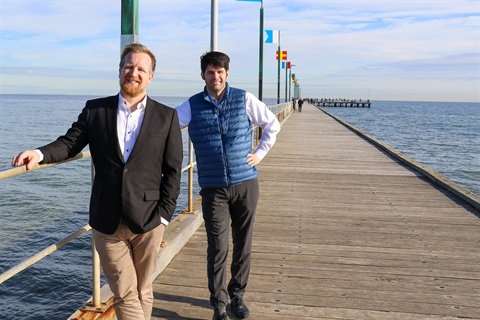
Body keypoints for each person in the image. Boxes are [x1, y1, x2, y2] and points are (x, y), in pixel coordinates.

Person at [11, 43, 183, 320]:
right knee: (125, 293)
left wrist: (164, 216)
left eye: (141, 68)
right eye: (128, 66)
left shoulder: (167, 116)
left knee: (143, 289)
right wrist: (40, 153)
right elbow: (69, 143)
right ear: (119, 70)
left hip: (150, 221)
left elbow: (173, 171)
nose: (133, 72)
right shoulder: (96, 110)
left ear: (150, 76)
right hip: (107, 221)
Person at [176, 51, 281, 320]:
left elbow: (272, 124)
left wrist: (259, 154)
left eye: (220, 72)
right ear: (203, 75)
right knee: (218, 246)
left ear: (227, 74)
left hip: (246, 182)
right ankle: (219, 304)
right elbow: (165, 125)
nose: (216, 76)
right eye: (210, 72)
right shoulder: (192, 105)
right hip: (213, 188)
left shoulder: (244, 98)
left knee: (243, 242)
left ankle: (238, 296)